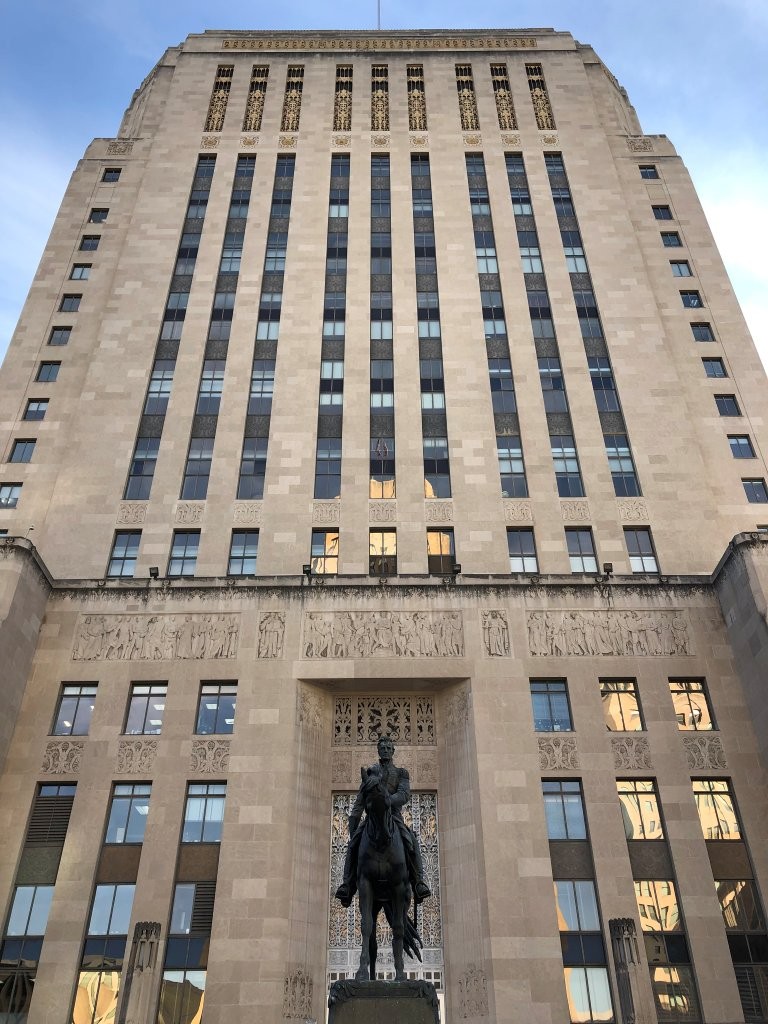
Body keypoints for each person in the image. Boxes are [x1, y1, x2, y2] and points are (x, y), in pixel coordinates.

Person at [335, 736, 432, 907]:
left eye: (388, 748)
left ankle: (418, 882)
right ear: (378, 751)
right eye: (383, 748)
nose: (385, 750)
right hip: (372, 817)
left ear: (393, 751)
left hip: (393, 816)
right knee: (353, 845)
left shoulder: (401, 773)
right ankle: (347, 885)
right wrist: (354, 820)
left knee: (411, 840)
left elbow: (403, 795)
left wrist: (386, 800)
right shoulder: (371, 774)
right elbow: (361, 800)